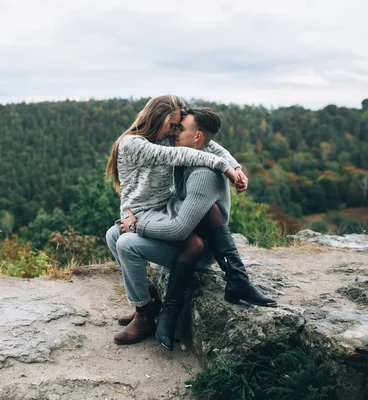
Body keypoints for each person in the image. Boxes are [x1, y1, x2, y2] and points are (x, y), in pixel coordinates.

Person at [112, 107, 276, 351]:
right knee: (113, 234)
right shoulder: (185, 148)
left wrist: (137, 225)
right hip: (183, 230)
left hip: (194, 246)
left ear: (197, 136)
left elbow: (179, 230)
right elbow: (214, 147)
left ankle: (153, 315)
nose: (175, 133)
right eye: (174, 126)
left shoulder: (202, 174)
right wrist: (234, 167)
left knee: (125, 241)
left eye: (180, 128)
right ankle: (148, 305)